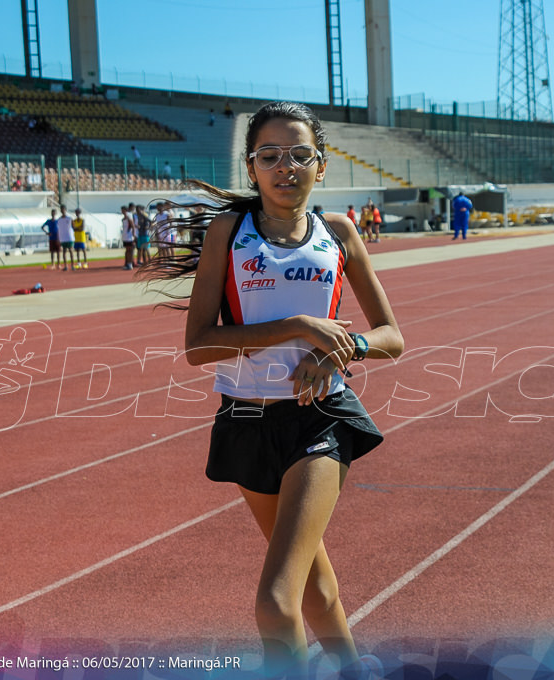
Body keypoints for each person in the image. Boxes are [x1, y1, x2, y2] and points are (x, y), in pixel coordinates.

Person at [138, 101, 403, 679]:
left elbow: (391, 337)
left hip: (320, 419)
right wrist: (295, 327)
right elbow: (199, 346)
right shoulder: (229, 234)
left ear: (322, 165)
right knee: (314, 588)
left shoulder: (338, 233)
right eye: (270, 155)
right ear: (251, 166)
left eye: (300, 155)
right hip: (246, 425)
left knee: (276, 602)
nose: (287, 167)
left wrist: (346, 346)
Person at [56, 205, 75, 270]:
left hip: (69, 237)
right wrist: (58, 238)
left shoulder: (69, 219)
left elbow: (73, 227)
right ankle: (66, 266)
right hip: (63, 238)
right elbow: (58, 229)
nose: (62, 211)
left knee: (71, 251)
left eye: (63, 209)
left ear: (65, 210)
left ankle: (72, 265)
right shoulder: (59, 220)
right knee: (64, 252)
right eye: (61, 209)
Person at [120, 205, 136, 270]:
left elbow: (133, 226)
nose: (121, 211)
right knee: (127, 251)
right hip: (125, 236)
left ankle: (130, 264)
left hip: (129, 237)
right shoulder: (124, 218)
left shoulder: (129, 217)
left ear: (125, 210)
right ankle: (127, 263)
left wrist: (134, 236)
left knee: (130, 250)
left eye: (123, 210)